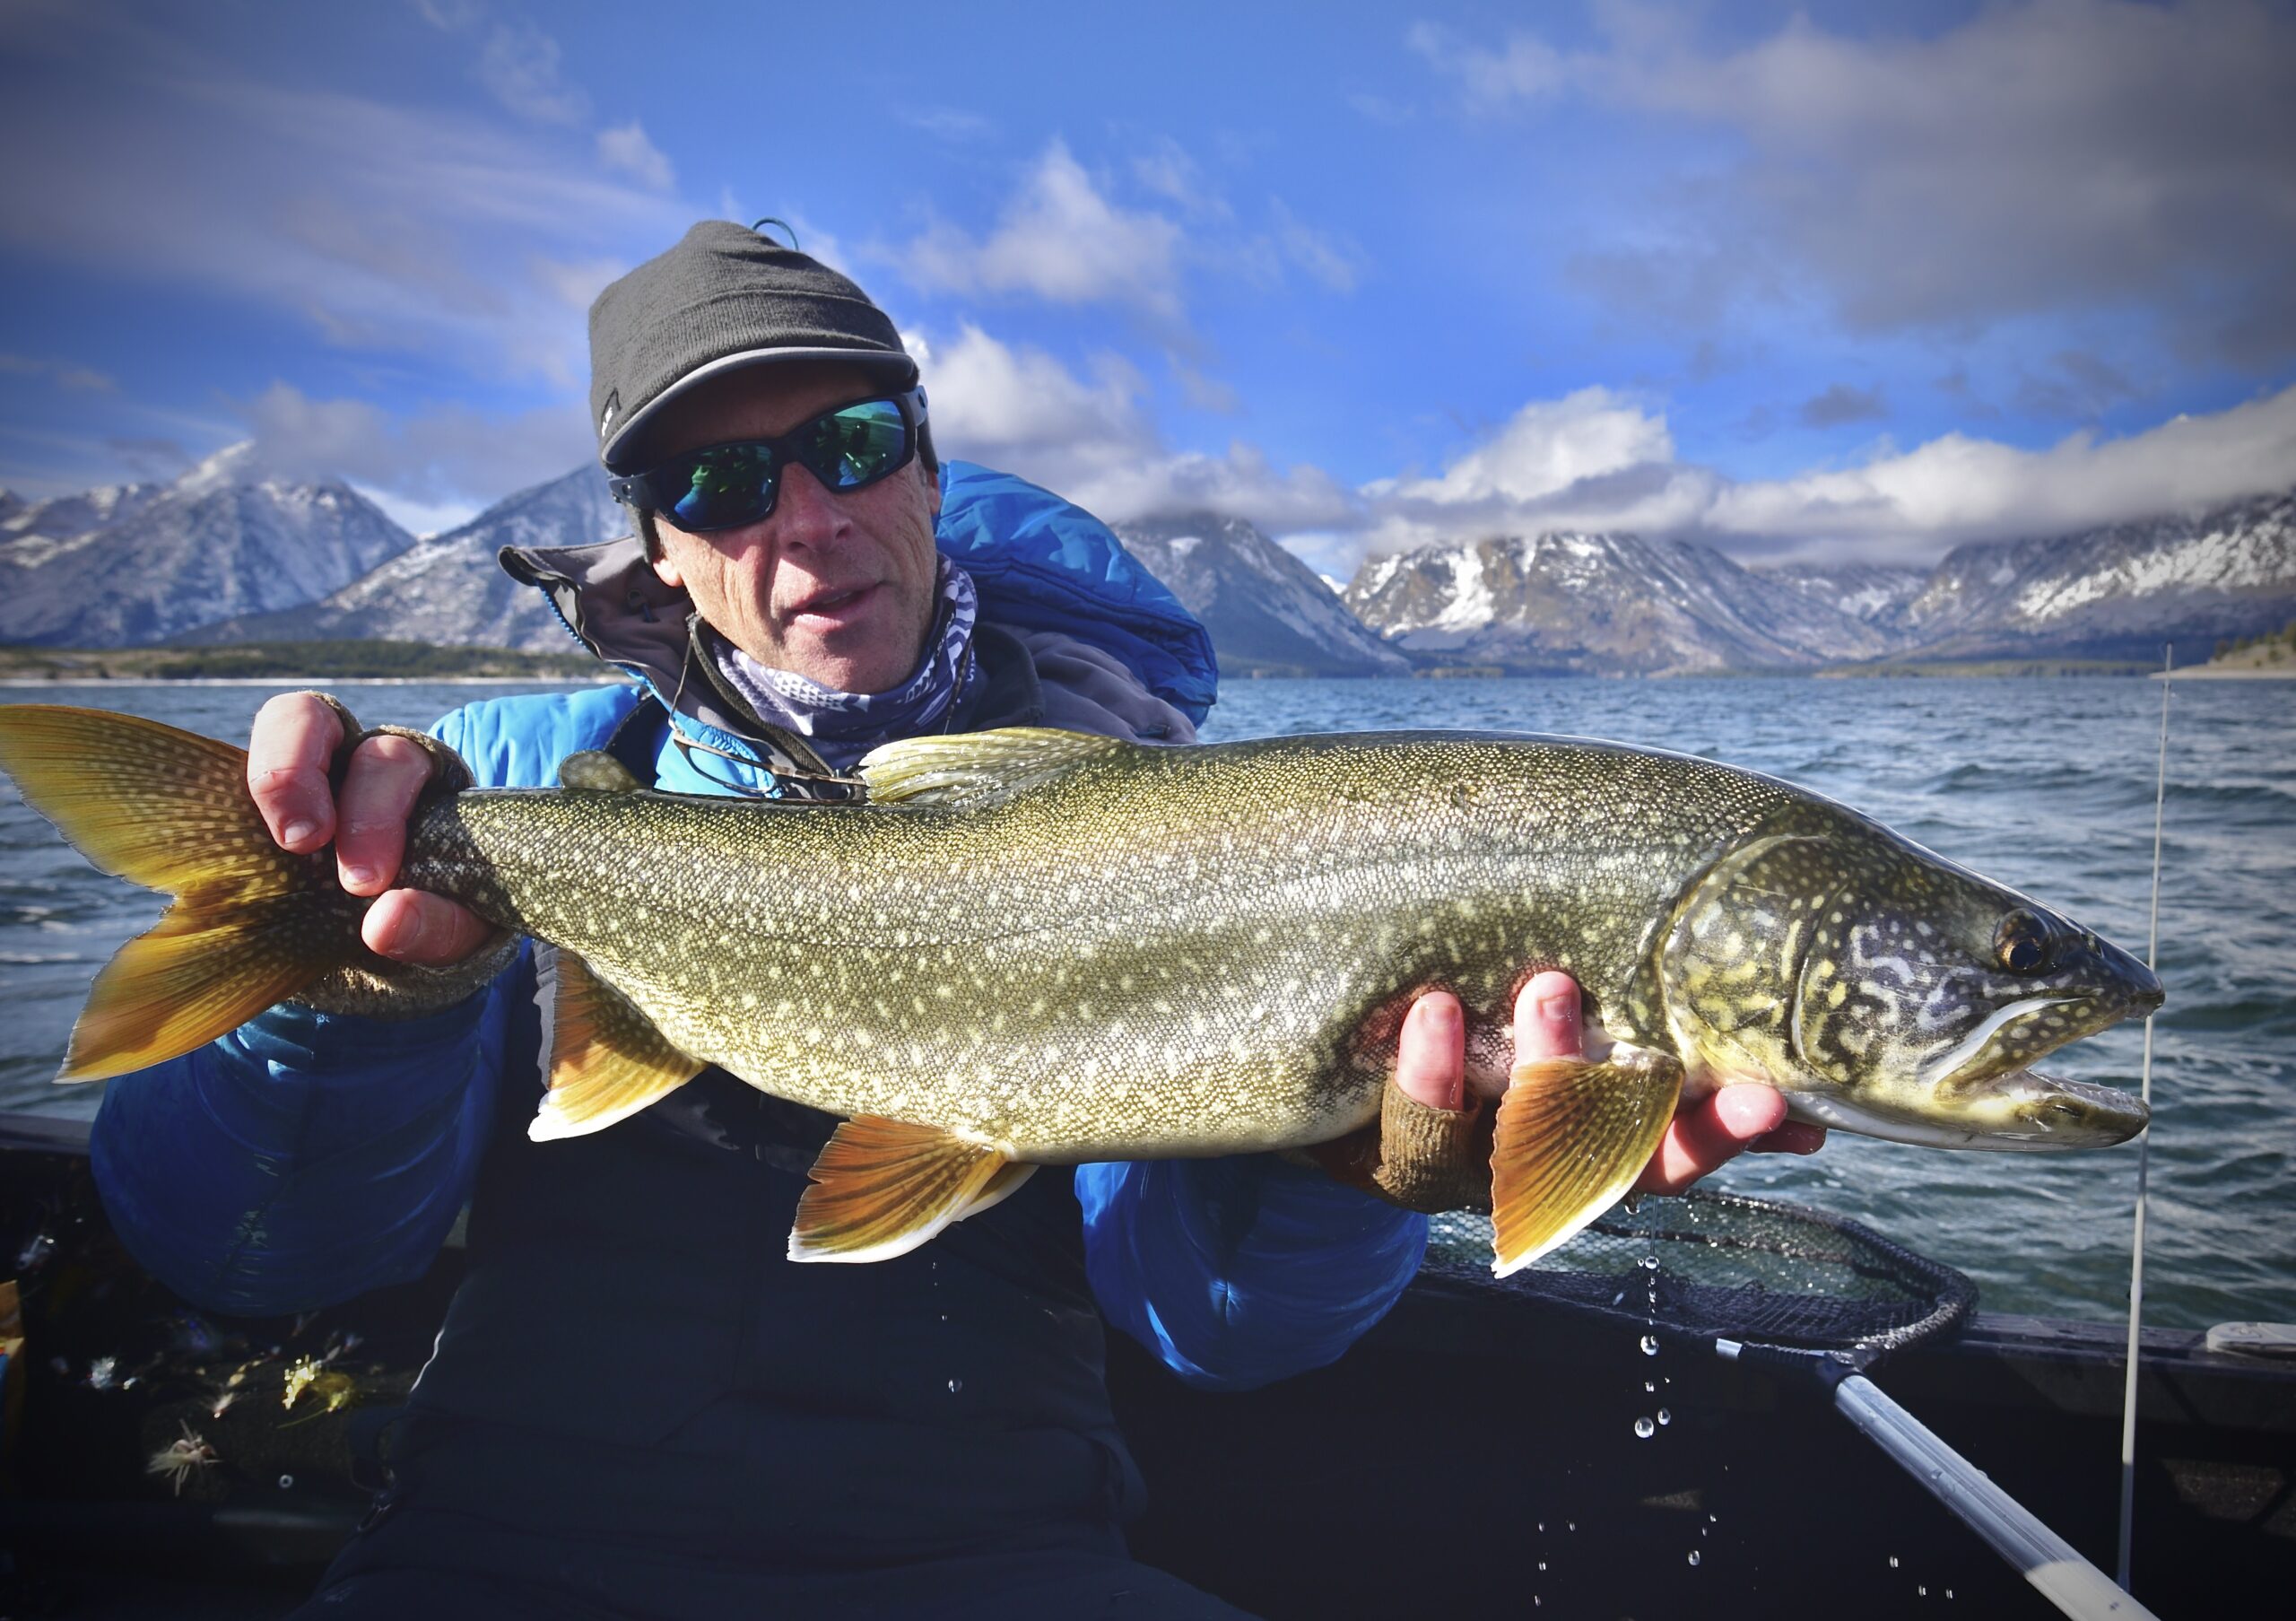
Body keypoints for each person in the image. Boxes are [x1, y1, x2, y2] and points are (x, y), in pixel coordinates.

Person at [88, 221, 1822, 1618]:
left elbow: (1214, 1334)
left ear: (925, 465)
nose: (806, 520)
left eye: (852, 445)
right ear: (657, 550)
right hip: (504, 1541)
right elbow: (245, 1258)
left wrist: (1339, 1184)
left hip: (999, 1551)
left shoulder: (1179, 827)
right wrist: (340, 1004)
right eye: (717, 486)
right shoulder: (498, 791)